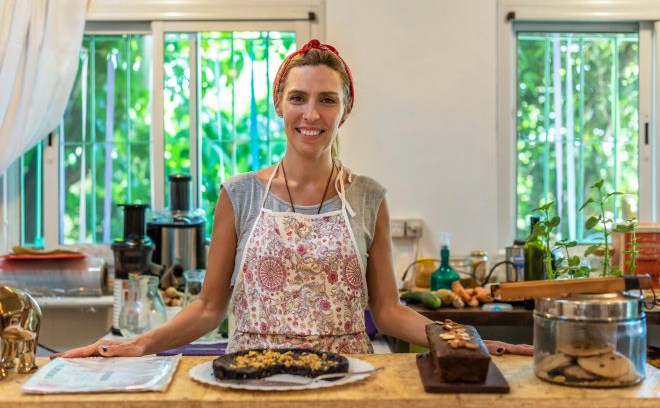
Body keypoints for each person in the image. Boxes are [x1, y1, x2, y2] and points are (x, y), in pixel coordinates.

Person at [55, 39, 435, 359]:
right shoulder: (240, 194)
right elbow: (208, 308)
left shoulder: (368, 197)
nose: (311, 113)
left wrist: (461, 338)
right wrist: (137, 344)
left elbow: (388, 312)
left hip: (346, 379)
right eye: (298, 98)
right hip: (252, 377)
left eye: (327, 100)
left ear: (346, 110)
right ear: (279, 105)